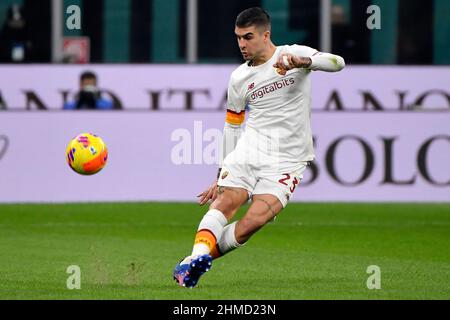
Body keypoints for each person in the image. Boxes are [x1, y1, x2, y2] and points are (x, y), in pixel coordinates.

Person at [173, 7, 345, 288]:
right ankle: (194, 260)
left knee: (254, 221)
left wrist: (304, 62)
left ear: (266, 35)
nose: (242, 44)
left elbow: (338, 63)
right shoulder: (239, 78)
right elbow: (232, 125)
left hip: (289, 159)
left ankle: (193, 261)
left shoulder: (292, 54)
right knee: (229, 200)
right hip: (250, 149)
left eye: (248, 37)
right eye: (238, 38)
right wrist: (220, 173)